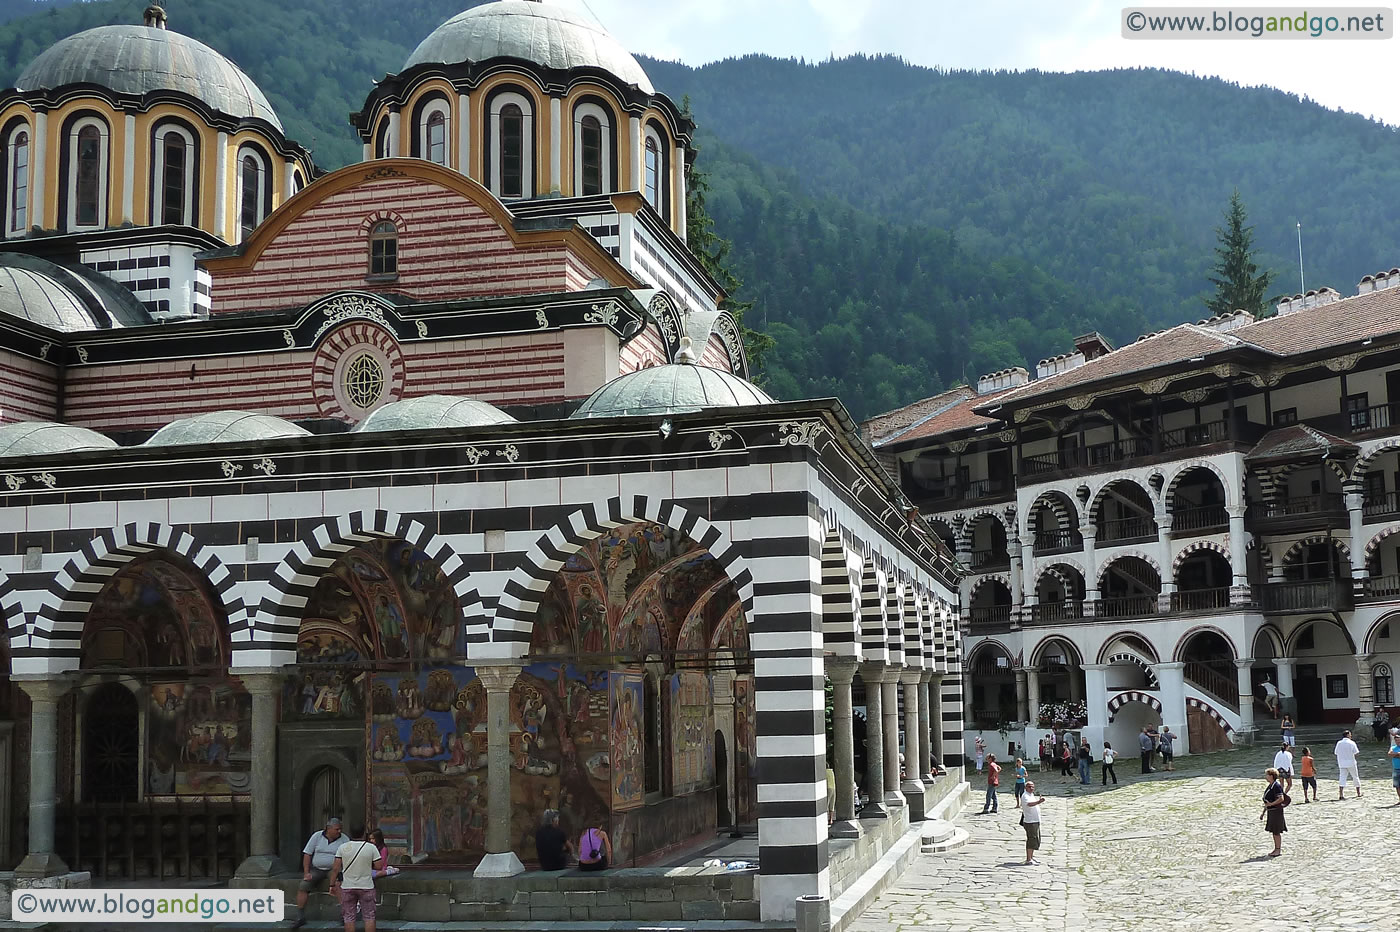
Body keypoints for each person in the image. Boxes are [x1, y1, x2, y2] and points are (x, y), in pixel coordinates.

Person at [330, 824, 382, 932]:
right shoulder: (371, 847)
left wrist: (332, 884)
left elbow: (335, 868)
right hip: (366, 886)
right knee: (369, 916)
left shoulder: (342, 847)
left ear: (350, 833)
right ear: (364, 833)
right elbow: (379, 866)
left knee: (348, 917)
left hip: (348, 886)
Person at [293, 817, 344, 929]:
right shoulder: (317, 836)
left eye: (340, 829)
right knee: (304, 885)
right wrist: (306, 872)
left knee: (339, 884)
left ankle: (345, 914)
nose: (339, 831)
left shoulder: (344, 839)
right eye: (337, 829)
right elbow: (307, 854)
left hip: (334, 869)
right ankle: (300, 916)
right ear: (328, 828)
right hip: (317, 868)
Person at [1259, 768, 1287, 858]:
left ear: (1271, 776)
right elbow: (1267, 801)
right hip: (1271, 811)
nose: (1266, 777)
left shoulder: (1276, 786)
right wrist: (1263, 812)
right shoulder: (1271, 785)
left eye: (1267, 775)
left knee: (1276, 831)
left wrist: (1271, 804)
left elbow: (1281, 798)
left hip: (1276, 812)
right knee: (1274, 831)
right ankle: (1276, 848)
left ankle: (1278, 849)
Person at [1020, 780, 1043, 866]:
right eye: (1029, 786)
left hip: (1035, 820)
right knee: (1031, 839)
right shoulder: (1025, 795)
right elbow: (1029, 804)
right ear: (1025, 787)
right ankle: (1028, 859)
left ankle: (1031, 857)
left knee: (1035, 839)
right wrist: (1038, 802)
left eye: (1033, 786)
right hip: (1030, 821)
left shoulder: (1031, 795)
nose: (1031, 788)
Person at [1335, 729, 1362, 799]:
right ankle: (1358, 793)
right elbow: (1356, 752)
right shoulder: (1352, 743)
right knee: (1355, 777)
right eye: (1350, 734)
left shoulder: (1339, 743)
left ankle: (1341, 794)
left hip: (1342, 763)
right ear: (1347, 735)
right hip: (1351, 762)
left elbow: (1336, 752)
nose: (1351, 736)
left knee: (1342, 777)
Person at [1389, 728, 1400, 803]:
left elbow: (1392, 754)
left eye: (1399, 740)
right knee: (1397, 785)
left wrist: (1395, 754)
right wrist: (1398, 754)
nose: (1398, 742)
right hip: (1396, 769)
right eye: (1396, 741)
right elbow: (1390, 754)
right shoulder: (1393, 747)